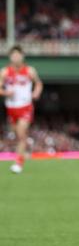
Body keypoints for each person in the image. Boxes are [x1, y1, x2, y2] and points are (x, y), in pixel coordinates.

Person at [0, 45, 43, 174]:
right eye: (13, 55)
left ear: (22, 56)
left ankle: (19, 163)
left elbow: (39, 83)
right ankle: (24, 150)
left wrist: (36, 92)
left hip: (26, 106)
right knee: (17, 136)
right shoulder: (5, 72)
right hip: (11, 107)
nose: (16, 57)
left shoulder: (30, 71)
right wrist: (6, 93)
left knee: (21, 132)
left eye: (18, 55)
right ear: (10, 57)